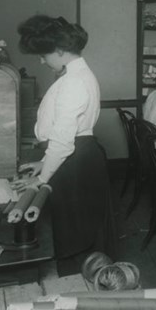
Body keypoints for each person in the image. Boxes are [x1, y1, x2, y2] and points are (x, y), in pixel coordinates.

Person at [13, 15, 119, 277]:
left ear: (60, 51)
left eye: (43, 55)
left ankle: (77, 291)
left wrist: (41, 178)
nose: (41, 60)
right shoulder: (77, 75)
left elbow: (62, 141)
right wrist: (43, 163)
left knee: (75, 234)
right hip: (77, 154)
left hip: (75, 159)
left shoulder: (73, 82)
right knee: (78, 229)